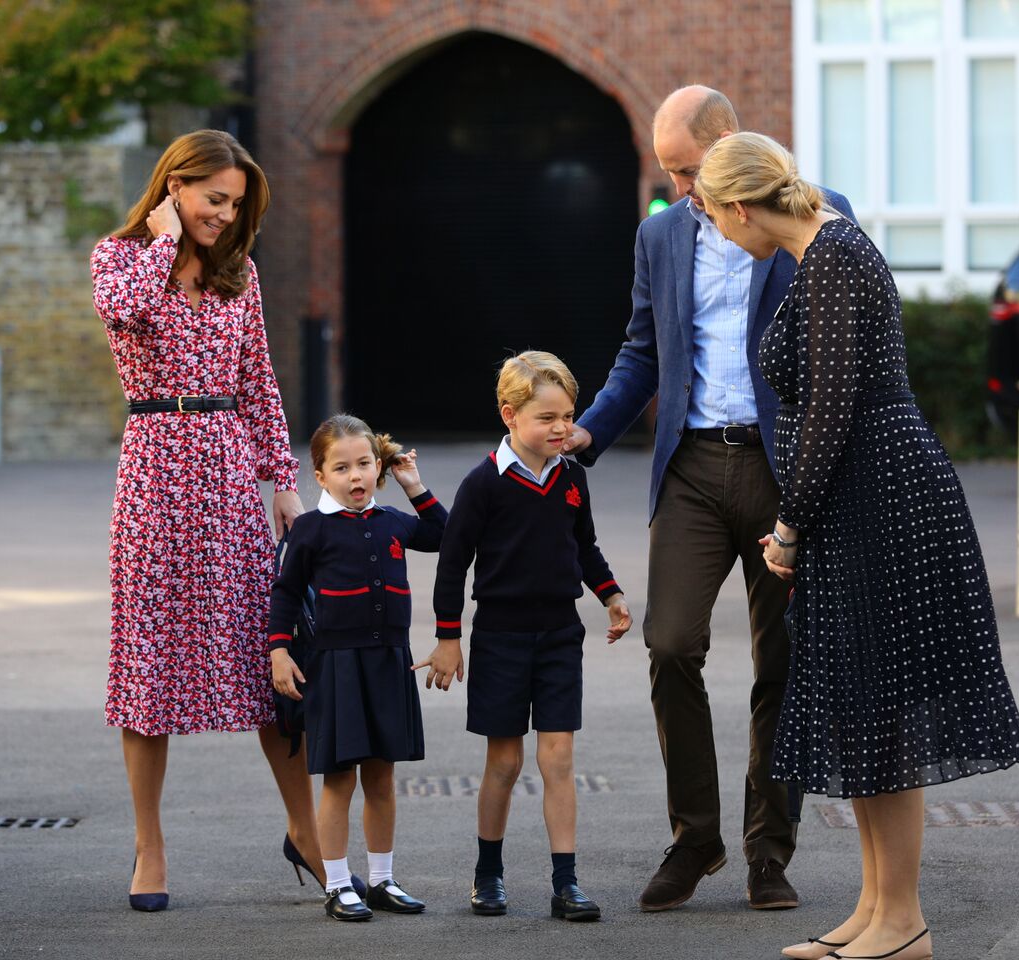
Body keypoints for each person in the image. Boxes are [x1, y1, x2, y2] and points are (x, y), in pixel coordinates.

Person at [696, 130, 1019, 960]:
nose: (715, 232)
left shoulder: (836, 253)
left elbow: (831, 407)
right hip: (864, 493)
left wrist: (787, 525)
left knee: (885, 707)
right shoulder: (824, 253)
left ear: (740, 205)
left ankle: (903, 920)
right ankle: (876, 908)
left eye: (710, 215)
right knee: (866, 709)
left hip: (881, 495)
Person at [563, 85, 853, 912]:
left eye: (688, 170)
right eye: (668, 173)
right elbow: (640, 349)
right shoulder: (659, 232)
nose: (681, 189)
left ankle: (770, 850)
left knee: (783, 660)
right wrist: (589, 430)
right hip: (689, 465)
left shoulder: (818, 215)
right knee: (670, 642)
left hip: (781, 468)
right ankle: (696, 839)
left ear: (730, 142)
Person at [91, 129, 327, 911]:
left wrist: (282, 481)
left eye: (235, 204)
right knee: (148, 665)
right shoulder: (121, 258)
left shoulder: (241, 275)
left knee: (269, 658)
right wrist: (161, 245)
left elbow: (258, 379)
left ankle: (306, 831)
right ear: (174, 188)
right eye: (212, 199)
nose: (224, 215)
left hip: (226, 470)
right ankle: (148, 848)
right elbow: (121, 313)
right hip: (155, 468)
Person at [415, 351, 632, 921]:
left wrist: (610, 595)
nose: (562, 428)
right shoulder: (483, 483)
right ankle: (488, 874)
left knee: (558, 759)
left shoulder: (571, 477)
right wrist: (447, 638)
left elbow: (583, 545)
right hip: (501, 639)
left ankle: (567, 883)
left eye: (568, 416)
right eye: (548, 418)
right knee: (505, 763)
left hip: (561, 635)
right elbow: (452, 562)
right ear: (509, 415)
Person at [268, 415, 446, 920]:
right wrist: (279, 651)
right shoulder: (310, 529)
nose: (355, 476)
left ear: (378, 467)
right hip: (336, 668)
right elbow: (283, 593)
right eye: (341, 467)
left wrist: (413, 484)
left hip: (389, 663)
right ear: (320, 476)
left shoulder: (391, 520)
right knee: (340, 780)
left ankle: (383, 879)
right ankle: (339, 884)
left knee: (383, 779)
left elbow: (444, 534)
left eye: (364, 464)